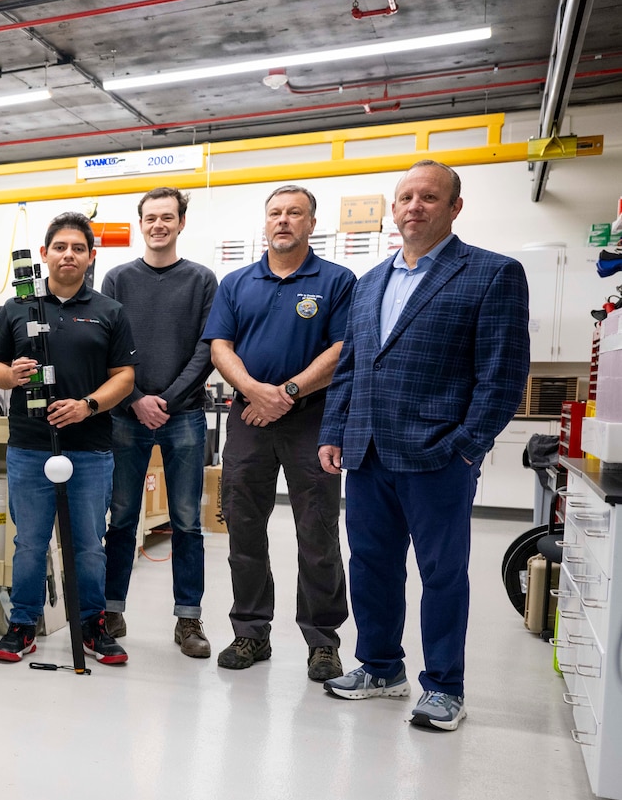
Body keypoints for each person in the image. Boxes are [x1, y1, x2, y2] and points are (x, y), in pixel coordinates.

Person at [319, 160, 529, 730]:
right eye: (405, 197)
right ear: (394, 209)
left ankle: (444, 686)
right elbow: (351, 366)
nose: (414, 206)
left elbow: (503, 376)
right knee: (371, 567)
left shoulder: (491, 273)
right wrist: (335, 430)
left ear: (455, 207)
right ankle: (381, 666)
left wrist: (467, 445)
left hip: (439, 455)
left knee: (441, 574)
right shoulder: (369, 284)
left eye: (429, 197)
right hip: (366, 453)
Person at [203, 185, 353, 681]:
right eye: (275, 213)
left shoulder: (336, 280)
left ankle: (322, 641)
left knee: (318, 531)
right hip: (248, 418)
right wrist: (254, 391)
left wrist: (284, 393)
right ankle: (250, 630)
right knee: (244, 527)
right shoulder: (237, 282)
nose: (283, 221)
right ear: (264, 223)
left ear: (312, 223)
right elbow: (220, 346)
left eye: (295, 213)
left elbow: (340, 351)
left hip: (313, 419)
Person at [0, 211, 136, 666]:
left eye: (78, 248)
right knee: (30, 541)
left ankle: (92, 623)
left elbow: (125, 377)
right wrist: (10, 375)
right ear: (45, 253)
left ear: (91, 256)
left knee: (89, 541)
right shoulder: (17, 309)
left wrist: (86, 405)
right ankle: (24, 622)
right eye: (60, 247)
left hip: (89, 447)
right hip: (30, 446)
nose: (68, 254)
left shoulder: (109, 311)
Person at [101, 187, 217, 657]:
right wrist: (136, 400)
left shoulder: (203, 280)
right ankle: (111, 609)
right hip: (126, 416)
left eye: (167, 217)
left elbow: (208, 349)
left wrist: (164, 400)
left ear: (181, 222)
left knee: (188, 522)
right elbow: (105, 350)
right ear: (141, 223)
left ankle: (188, 620)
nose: (158, 225)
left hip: (183, 414)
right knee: (123, 517)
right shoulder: (116, 279)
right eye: (150, 217)